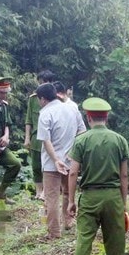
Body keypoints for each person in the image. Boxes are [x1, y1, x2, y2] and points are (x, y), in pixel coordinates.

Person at [67, 98, 129, 255]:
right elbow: (124, 176)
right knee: (116, 241)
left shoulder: (81, 140)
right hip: (113, 196)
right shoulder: (119, 140)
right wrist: (123, 201)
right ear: (107, 117)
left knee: (84, 240)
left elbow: (73, 173)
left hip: (90, 196)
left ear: (88, 117)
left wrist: (70, 200)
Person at [36, 83, 86, 239]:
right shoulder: (72, 109)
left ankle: (54, 233)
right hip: (71, 159)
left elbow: (46, 140)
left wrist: (56, 159)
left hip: (52, 163)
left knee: (51, 197)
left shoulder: (45, 114)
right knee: (68, 192)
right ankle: (68, 222)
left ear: (43, 99)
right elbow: (82, 131)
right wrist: (73, 153)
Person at [25, 70, 56, 200]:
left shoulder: (56, 101)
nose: (43, 85)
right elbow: (29, 120)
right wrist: (27, 137)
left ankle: (46, 191)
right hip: (36, 137)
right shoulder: (33, 99)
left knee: (47, 164)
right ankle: (39, 191)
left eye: (46, 83)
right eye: (41, 82)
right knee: (36, 165)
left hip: (50, 138)